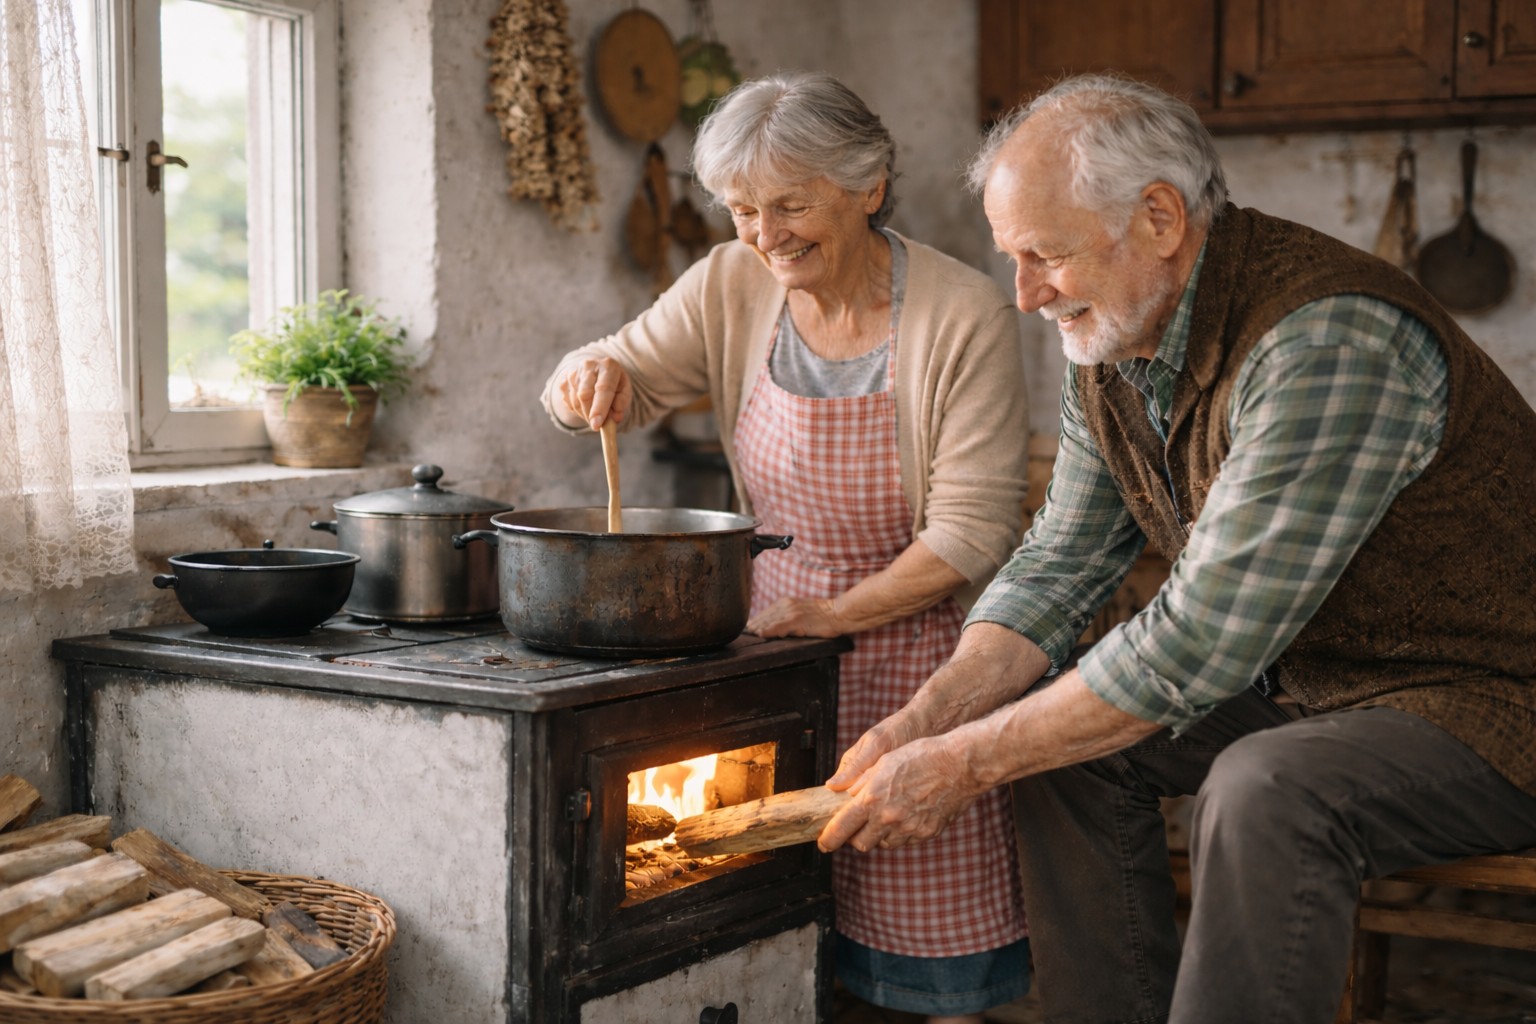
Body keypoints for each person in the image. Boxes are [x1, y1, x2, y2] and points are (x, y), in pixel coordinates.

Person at [818, 72, 1536, 1024]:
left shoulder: (1325, 340)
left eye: (1044, 255)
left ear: (1159, 217)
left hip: (1491, 702)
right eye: (1011, 258)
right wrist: (930, 720)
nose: (1025, 294)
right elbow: (1059, 565)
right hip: (1317, 689)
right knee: (1060, 748)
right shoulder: (1111, 340)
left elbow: (1199, 643)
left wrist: (963, 764)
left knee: (1263, 790)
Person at [541, 72, 1033, 1023]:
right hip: (767, 650)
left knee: (927, 941)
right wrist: (580, 376)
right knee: (762, 922)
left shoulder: (962, 310)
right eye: (742, 209)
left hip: (916, 652)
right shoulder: (732, 282)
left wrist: (842, 616)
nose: (766, 233)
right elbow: (625, 374)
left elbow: (975, 531)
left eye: (793, 204)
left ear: (870, 186)